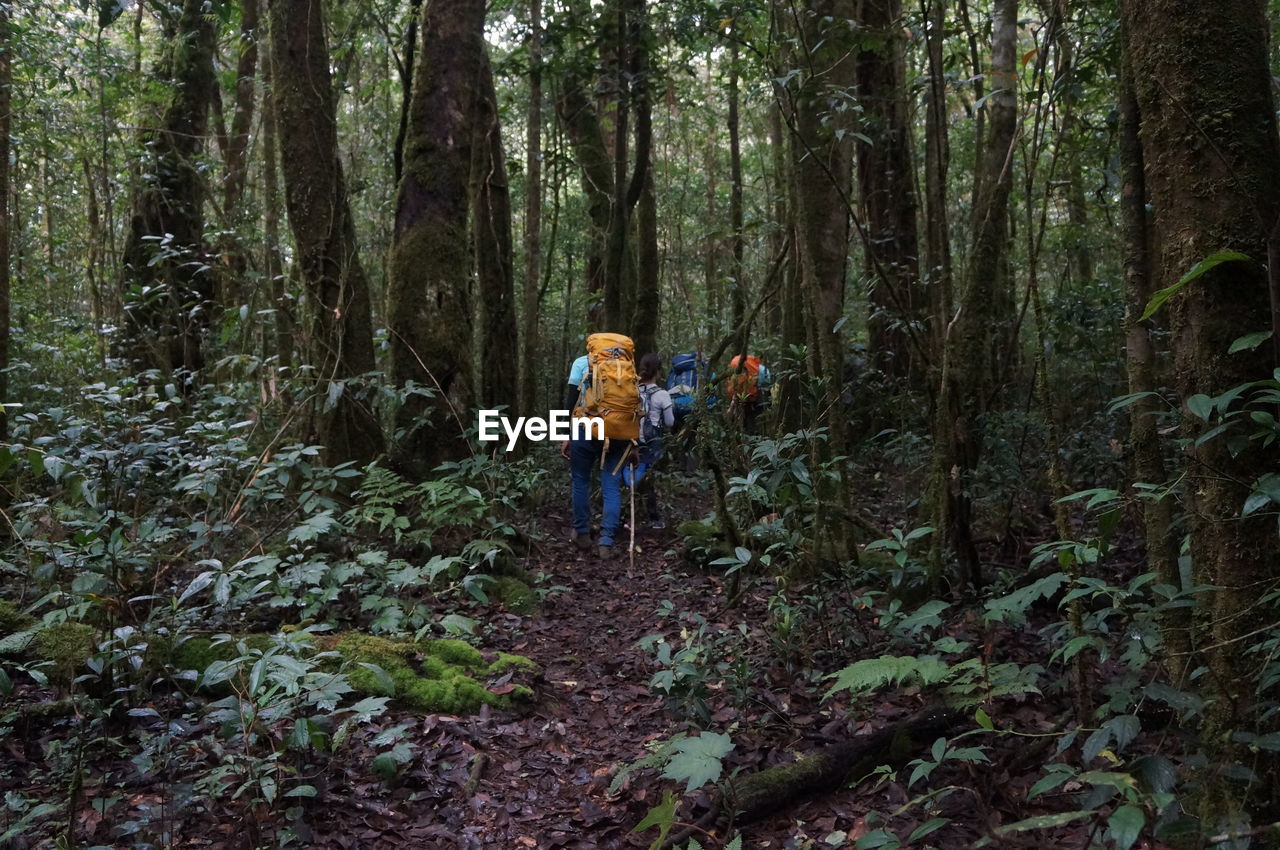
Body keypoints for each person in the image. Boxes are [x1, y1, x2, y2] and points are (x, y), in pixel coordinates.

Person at [560, 348, 631, 558]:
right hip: (618, 431)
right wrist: (634, 443)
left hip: (584, 428)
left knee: (581, 480)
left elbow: (571, 401)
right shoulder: (627, 365)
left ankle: (582, 533)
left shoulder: (582, 362)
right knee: (611, 484)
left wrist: (566, 434)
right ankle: (606, 541)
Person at [626, 353, 675, 529]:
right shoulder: (662, 394)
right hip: (652, 440)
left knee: (631, 475)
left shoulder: (632, 391)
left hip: (631, 439)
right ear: (658, 372)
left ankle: (628, 515)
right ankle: (654, 518)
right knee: (649, 478)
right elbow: (670, 422)